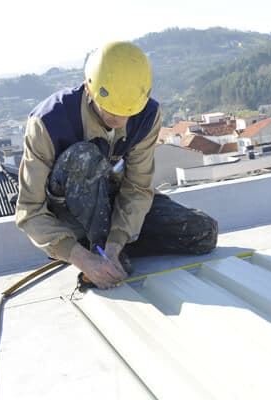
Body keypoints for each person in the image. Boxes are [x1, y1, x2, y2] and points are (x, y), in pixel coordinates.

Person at [15, 41, 218, 289]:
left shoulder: (147, 115)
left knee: (203, 233)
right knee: (84, 157)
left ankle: (112, 250)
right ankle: (93, 252)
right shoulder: (48, 122)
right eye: (111, 112)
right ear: (90, 90)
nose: (121, 120)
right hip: (71, 214)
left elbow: (138, 188)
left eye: (128, 113)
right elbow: (30, 211)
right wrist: (79, 257)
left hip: (112, 202)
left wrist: (116, 240)